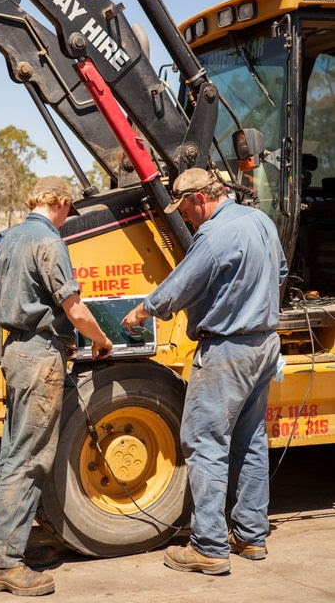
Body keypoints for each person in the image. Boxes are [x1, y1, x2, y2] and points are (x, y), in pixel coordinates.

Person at [122, 167, 288, 576]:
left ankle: (209, 546)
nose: (187, 218)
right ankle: (251, 537)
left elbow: (179, 286)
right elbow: (280, 272)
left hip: (227, 351)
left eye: (187, 210)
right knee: (250, 442)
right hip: (265, 344)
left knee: (205, 442)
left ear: (200, 198)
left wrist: (142, 312)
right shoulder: (260, 220)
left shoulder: (213, 236)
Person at [0, 176, 113, 596]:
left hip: (15, 352)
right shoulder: (49, 242)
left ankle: (8, 548)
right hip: (40, 356)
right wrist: (100, 339)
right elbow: (73, 308)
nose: (65, 217)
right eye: (66, 209)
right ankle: (4, 564)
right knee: (31, 459)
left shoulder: (10, 237)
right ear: (59, 202)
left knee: (13, 455)